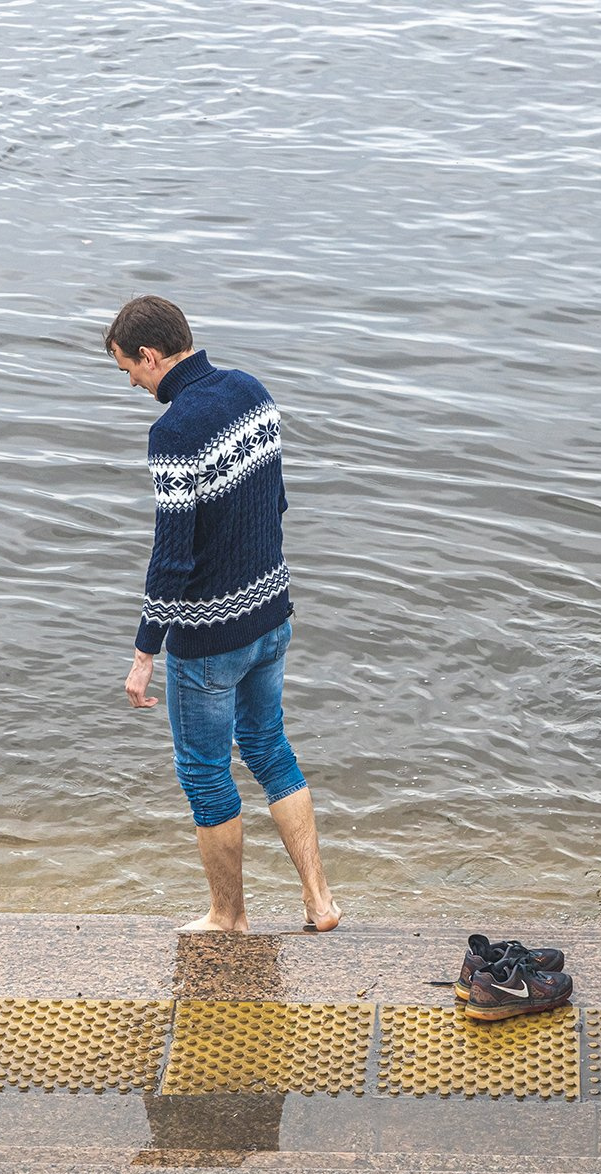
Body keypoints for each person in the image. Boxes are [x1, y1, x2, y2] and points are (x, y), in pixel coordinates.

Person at [104, 295, 340, 934]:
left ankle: (227, 916)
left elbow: (172, 554)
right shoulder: (251, 391)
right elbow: (278, 503)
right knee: (269, 747)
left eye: (129, 368)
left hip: (209, 638)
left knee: (206, 776)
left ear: (151, 355)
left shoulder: (175, 429)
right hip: (272, 612)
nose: (132, 382)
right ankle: (320, 902)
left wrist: (144, 651)